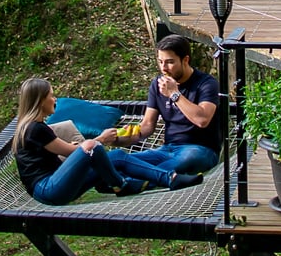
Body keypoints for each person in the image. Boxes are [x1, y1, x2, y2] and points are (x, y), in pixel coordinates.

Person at [13, 78, 203, 205]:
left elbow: (68, 151)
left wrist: (84, 147)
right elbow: (73, 152)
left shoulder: (36, 127)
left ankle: (171, 179)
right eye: (51, 95)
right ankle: (121, 185)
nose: (55, 99)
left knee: (118, 156)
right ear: (40, 100)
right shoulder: (34, 129)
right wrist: (100, 140)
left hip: (59, 184)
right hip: (48, 190)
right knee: (92, 147)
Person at [107, 34, 221, 181]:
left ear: (185, 60)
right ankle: (128, 181)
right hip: (167, 149)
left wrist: (174, 94)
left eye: (170, 62)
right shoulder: (157, 84)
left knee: (182, 161)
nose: (164, 68)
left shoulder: (206, 83)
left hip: (200, 149)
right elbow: (147, 126)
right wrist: (120, 139)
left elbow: (202, 119)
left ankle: (133, 182)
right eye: (160, 62)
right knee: (116, 160)